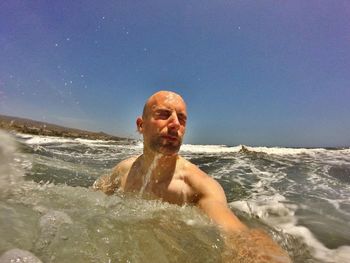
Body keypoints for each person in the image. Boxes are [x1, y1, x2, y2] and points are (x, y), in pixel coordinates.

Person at [93, 90, 291, 262]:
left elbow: (237, 233)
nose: (175, 124)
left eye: (182, 118)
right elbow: (91, 199)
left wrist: (261, 254)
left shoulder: (198, 186)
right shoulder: (123, 170)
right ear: (141, 125)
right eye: (163, 114)